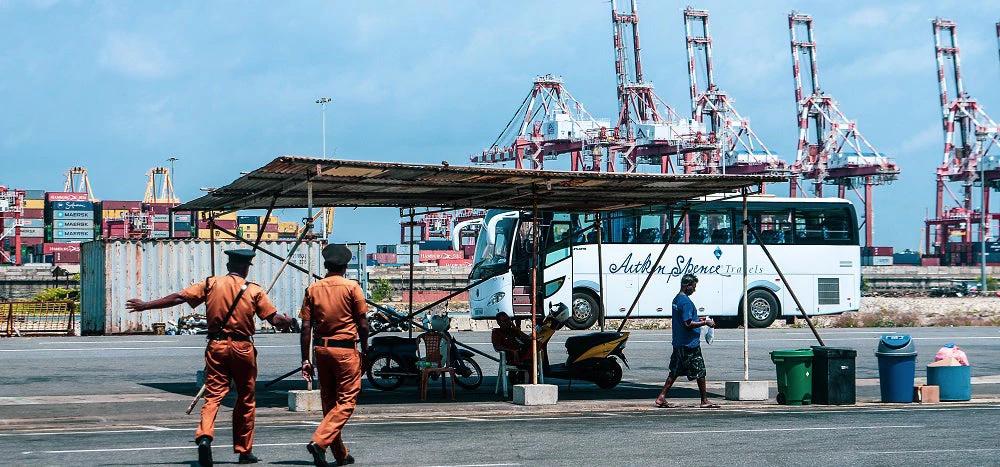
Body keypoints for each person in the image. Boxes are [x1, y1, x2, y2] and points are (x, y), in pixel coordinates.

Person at [126, 249, 293, 466]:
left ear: (228, 266)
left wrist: (146, 305)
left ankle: (205, 436)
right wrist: (287, 322)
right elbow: (274, 320)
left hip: (216, 344)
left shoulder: (211, 283)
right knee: (245, 398)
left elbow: (178, 297)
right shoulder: (254, 291)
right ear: (246, 267)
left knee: (213, 395)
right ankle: (244, 450)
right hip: (243, 348)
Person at [300, 244, 369, 467]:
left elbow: (306, 327)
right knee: (347, 401)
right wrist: (366, 350)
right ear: (346, 265)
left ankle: (340, 454)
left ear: (325, 265)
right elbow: (363, 324)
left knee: (330, 405)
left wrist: (305, 359)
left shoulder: (313, 289)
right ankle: (319, 443)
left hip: (321, 350)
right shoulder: (352, 287)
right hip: (345, 351)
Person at [654, 273, 719, 409]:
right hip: (690, 344)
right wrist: (705, 322)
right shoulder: (686, 303)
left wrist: (699, 319)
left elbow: (685, 318)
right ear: (687, 286)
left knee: (675, 371)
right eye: (693, 287)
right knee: (700, 371)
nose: (694, 290)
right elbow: (687, 324)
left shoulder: (676, 299)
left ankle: (661, 397)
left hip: (679, 342)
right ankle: (704, 400)